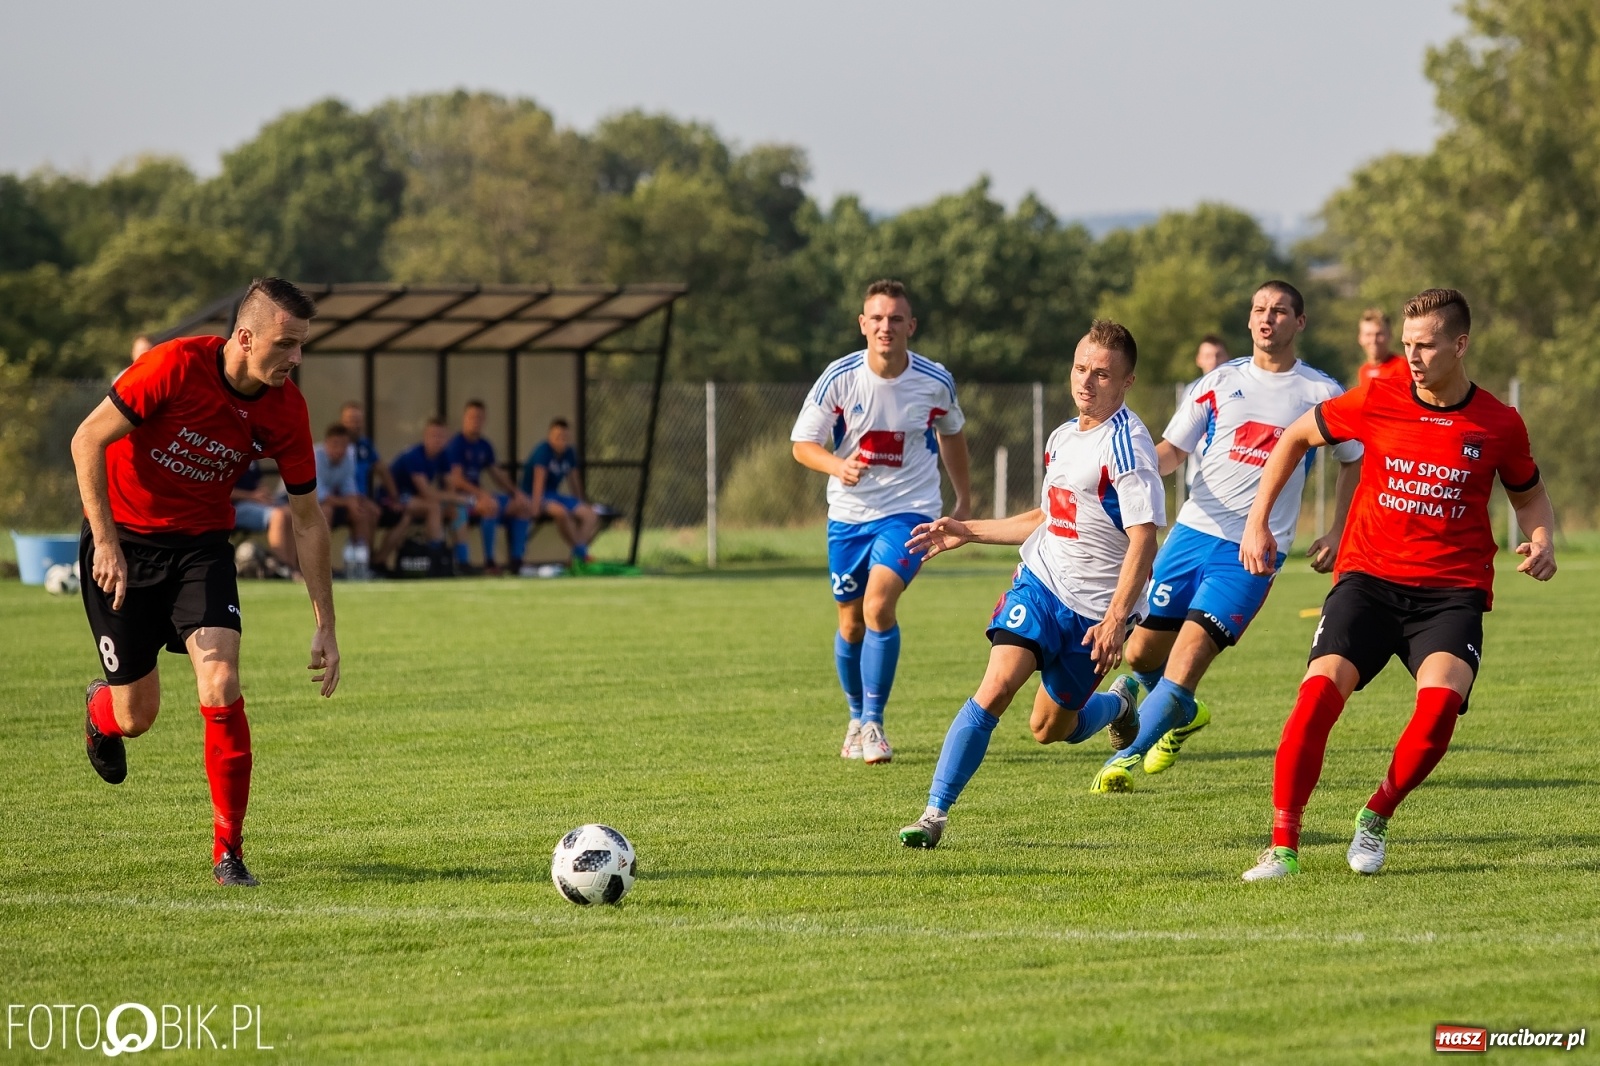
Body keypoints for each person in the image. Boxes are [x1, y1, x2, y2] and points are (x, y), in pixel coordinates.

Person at [1238, 288, 1555, 881]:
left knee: (1439, 710)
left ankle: (1375, 817)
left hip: (1451, 591)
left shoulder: (1499, 423)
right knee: (1315, 698)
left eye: (1426, 345)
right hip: (1368, 580)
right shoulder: (1378, 395)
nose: (1411, 356)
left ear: (1460, 345)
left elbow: (1529, 493)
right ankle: (1282, 847)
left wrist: (1542, 539)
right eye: (1407, 344)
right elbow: (1294, 438)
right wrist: (1257, 522)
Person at [70, 276, 340, 888]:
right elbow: (86, 439)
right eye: (287, 343)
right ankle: (100, 711)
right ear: (245, 337)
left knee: (220, 679)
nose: (296, 358)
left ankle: (229, 853)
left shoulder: (286, 407)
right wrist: (106, 541)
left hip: (199, 549)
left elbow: (306, 518)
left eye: (302, 345)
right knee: (137, 715)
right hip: (126, 545)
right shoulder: (173, 366)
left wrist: (325, 623)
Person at [897, 320, 1163, 848]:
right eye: (1081, 368)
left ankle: (1119, 706)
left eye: (1102, 374)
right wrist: (967, 531)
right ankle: (933, 815)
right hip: (1040, 585)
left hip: (1093, 615)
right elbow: (1049, 516)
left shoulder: (1128, 448)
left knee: (1050, 728)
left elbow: (1144, 540)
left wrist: (1115, 619)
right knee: (995, 687)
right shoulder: (1064, 437)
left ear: (1127, 381)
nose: (1087, 382)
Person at [1092, 281, 1364, 793]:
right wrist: (1126, 472)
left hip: (1254, 551)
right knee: (1140, 656)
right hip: (1191, 534)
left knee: (1189, 657)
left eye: (1280, 311)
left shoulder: (1322, 393)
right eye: (1260, 309)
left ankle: (1125, 758)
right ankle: (1183, 715)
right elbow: (1172, 450)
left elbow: (1353, 461)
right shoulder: (1218, 381)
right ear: (1249, 319)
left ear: (1299, 323)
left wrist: (1335, 529)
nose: (1268, 319)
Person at [791, 279, 971, 765]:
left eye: (896, 318)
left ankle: (873, 722)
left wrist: (964, 497)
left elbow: (952, 435)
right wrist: (837, 465)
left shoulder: (935, 380)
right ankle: (855, 717)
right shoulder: (840, 377)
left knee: (878, 605)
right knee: (850, 623)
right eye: (877, 318)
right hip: (849, 517)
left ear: (910, 326)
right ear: (862, 324)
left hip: (911, 510)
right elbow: (802, 444)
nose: (886, 326)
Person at [445, 400, 537, 575]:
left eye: (479, 417)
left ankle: (516, 562)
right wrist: (481, 494)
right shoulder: (456, 444)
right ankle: (489, 562)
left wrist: (516, 493)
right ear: (464, 418)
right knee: (491, 505)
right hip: (461, 498)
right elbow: (456, 480)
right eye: (472, 417)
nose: (475, 421)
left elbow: (498, 475)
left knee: (522, 507)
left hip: (479, 497)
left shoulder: (484, 445)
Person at [522, 418, 600, 568]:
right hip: (534, 495)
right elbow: (538, 481)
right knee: (561, 512)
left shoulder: (569, 453)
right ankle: (581, 554)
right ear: (549, 436)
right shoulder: (543, 451)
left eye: (564, 437)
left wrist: (581, 502)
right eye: (557, 437)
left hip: (554, 494)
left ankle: (577, 555)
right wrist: (535, 508)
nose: (561, 441)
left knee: (590, 515)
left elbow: (574, 480)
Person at [376, 417, 453, 570]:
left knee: (409, 517)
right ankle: (436, 556)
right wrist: (463, 499)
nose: (437, 440)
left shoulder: (443, 456)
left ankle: (379, 561)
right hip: (390, 498)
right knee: (433, 507)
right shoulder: (414, 455)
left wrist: (452, 503)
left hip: (411, 500)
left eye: (441, 436)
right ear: (425, 436)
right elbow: (426, 492)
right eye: (433, 435)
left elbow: (450, 484)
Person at [315, 423, 379, 576]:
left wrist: (354, 504)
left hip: (332, 502)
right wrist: (348, 502)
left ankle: (360, 566)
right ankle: (321, 568)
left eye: (344, 445)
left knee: (362, 512)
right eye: (335, 444)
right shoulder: (314, 456)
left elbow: (349, 488)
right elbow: (319, 496)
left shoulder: (350, 455)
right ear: (326, 443)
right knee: (326, 512)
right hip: (296, 502)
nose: (340, 450)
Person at [231, 460, 298, 577]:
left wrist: (264, 494)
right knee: (278, 516)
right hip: (233, 507)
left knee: (290, 512)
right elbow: (220, 491)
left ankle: (292, 567)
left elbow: (256, 483)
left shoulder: (251, 454)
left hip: (254, 502)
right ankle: (281, 568)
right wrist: (251, 496)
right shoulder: (225, 454)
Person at [1355, 308, 1407, 386]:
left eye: (1379, 334)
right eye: (1368, 335)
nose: (1373, 340)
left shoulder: (1402, 366)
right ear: (1360, 338)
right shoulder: (1363, 370)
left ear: (1390, 335)